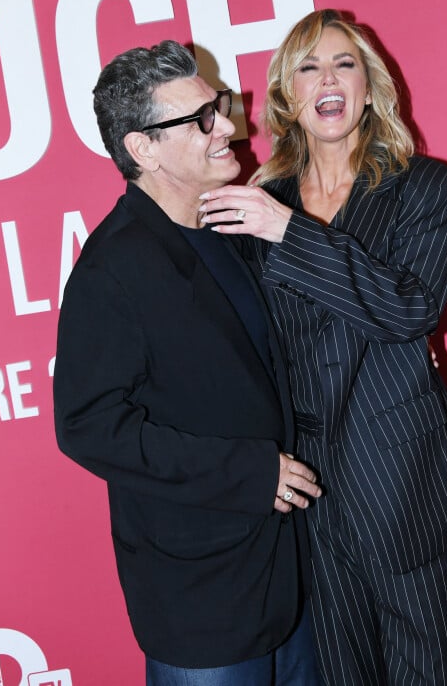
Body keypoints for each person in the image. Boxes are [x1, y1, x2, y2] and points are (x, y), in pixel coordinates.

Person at [198, 9, 447, 685]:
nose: (327, 78)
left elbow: (408, 307)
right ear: (288, 96)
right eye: (308, 66)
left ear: (370, 87)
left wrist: (288, 231)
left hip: (410, 487)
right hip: (308, 498)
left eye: (344, 63)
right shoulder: (257, 203)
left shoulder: (434, 189)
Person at [53, 40, 323, 686]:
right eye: (202, 119)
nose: (229, 126)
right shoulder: (110, 270)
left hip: (288, 585)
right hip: (201, 606)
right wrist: (246, 474)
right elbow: (88, 427)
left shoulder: (226, 226)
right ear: (142, 149)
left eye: (220, 107)